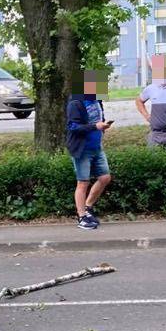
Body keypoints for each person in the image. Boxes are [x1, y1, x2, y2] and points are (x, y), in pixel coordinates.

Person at [64, 70, 112, 229]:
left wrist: (103, 125)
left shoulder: (97, 100)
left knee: (105, 178)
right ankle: (82, 217)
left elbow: (99, 117)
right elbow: (73, 127)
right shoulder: (76, 103)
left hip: (97, 147)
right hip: (82, 148)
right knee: (83, 183)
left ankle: (88, 207)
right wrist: (95, 126)